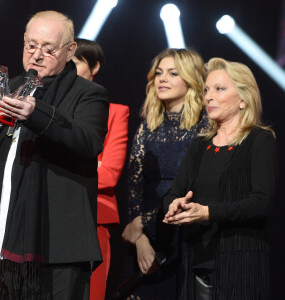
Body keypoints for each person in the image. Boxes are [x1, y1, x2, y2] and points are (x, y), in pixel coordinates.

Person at [0, 11, 109, 300]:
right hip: (1, 236)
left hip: (57, 244)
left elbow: (88, 142)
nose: (37, 55)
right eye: (31, 45)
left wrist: (36, 114)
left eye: (48, 49)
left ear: (70, 50)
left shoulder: (89, 93)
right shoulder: (4, 89)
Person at [163, 57, 278, 300]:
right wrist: (174, 205)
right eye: (206, 90)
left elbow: (260, 203)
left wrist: (207, 212)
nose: (208, 97)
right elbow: (174, 193)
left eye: (219, 89)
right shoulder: (199, 145)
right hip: (196, 261)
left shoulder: (260, 140)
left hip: (241, 263)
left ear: (244, 99)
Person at [121, 48, 208, 299]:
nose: (162, 79)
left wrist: (142, 223)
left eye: (172, 73)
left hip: (183, 230)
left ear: (191, 80)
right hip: (145, 238)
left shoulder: (205, 126)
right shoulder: (147, 126)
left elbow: (196, 185)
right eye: (158, 73)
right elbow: (134, 184)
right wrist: (139, 238)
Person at [73, 38, 130, 300]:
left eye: (73, 62)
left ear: (94, 67)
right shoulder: (45, 109)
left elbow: (109, 174)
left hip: (94, 217)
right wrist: (92, 163)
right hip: (45, 215)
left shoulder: (115, 112)